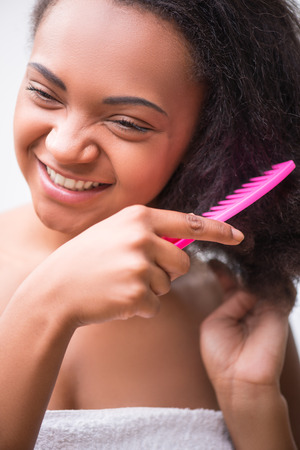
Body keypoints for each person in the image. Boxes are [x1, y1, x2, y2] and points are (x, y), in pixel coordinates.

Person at [0, 0, 299, 448]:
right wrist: (44, 307)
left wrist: (254, 404)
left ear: (208, 142)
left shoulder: (236, 316)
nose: (63, 148)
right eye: (44, 93)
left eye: (125, 122)